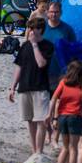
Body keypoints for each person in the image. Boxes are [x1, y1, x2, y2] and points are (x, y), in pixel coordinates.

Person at [10, 18, 54, 155]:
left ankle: (39, 152)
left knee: (41, 121)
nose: (29, 32)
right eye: (28, 29)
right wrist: (12, 87)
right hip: (25, 87)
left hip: (41, 87)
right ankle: (34, 150)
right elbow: (19, 66)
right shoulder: (24, 46)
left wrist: (35, 45)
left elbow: (41, 63)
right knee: (30, 121)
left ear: (39, 30)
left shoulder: (47, 46)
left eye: (31, 29)